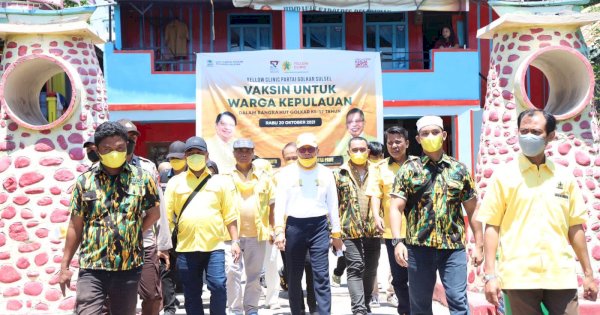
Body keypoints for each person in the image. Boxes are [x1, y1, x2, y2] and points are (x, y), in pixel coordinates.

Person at [477, 109, 598, 314]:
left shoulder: (564, 177)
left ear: (550, 136)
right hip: (518, 277)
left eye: (535, 132)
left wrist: (588, 274)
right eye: (523, 131)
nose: (528, 137)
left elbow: (575, 227)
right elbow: (492, 226)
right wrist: (490, 275)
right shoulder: (504, 176)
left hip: (560, 276)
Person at [58, 121, 161, 314]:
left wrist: (135, 232)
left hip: (128, 267)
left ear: (127, 147)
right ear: (97, 150)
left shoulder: (142, 178)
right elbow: (75, 226)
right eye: (107, 148)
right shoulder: (85, 181)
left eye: (120, 148)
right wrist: (64, 266)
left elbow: (154, 213)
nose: (114, 152)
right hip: (92, 267)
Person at [389, 116, 483, 315]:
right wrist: (397, 241)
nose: (430, 136)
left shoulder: (459, 170)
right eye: (425, 133)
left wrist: (479, 245)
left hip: (453, 248)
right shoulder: (409, 170)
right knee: (420, 305)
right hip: (418, 248)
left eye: (435, 132)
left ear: (444, 135)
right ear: (418, 139)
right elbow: (396, 207)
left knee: (458, 301)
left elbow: (473, 209)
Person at [164, 136, 241, 315]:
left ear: (206, 155)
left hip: (214, 247)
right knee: (191, 293)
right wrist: (164, 246)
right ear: (185, 156)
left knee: (219, 286)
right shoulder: (176, 182)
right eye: (191, 153)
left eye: (199, 153)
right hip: (185, 248)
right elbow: (167, 216)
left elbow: (230, 214)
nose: (195, 156)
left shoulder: (221, 182)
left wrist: (235, 241)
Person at [274, 133, 343, 315]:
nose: (306, 152)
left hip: (319, 227)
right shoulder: (286, 173)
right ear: (297, 151)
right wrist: (279, 231)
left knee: (321, 275)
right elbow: (279, 204)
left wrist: (336, 234)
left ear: (317, 151)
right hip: (294, 228)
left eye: (310, 149)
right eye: (303, 149)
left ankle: (323, 312)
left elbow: (333, 205)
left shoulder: (326, 173)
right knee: (294, 277)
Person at [118, 118, 170, 315]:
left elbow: (160, 208)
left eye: (133, 136)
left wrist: (163, 244)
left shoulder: (147, 167)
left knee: (152, 295)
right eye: (125, 135)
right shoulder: (103, 168)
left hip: (144, 242)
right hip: (114, 243)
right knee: (118, 298)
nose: (129, 140)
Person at [365, 127, 416, 315]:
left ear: (407, 143)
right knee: (399, 276)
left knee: (418, 275)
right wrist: (377, 216)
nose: (394, 146)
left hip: (418, 230)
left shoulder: (418, 165)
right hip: (393, 232)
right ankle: (406, 310)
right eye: (390, 142)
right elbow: (376, 194)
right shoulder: (380, 168)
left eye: (398, 142)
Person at [224, 139, 274, 315]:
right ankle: (235, 310)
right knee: (232, 272)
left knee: (254, 276)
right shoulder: (224, 177)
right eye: (239, 150)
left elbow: (272, 204)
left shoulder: (265, 178)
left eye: (247, 150)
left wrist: (273, 228)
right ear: (233, 153)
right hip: (231, 236)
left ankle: (251, 309)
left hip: (256, 234)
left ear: (253, 153)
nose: (243, 153)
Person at [334, 137, 381, 315]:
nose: (359, 153)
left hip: (373, 229)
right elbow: (332, 205)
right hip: (349, 229)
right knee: (355, 266)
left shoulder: (377, 172)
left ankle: (366, 302)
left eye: (362, 149)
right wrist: (334, 233)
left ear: (368, 151)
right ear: (348, 152)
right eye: (355, 150)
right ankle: (359, 309)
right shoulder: (339, 174)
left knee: (371, 268)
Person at [275, 142, 317, 313]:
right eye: (289, 158)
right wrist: (277, 231)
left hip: (311, 230)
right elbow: (273, 206)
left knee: (313, 269)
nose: (292, 160)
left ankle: (314, 307)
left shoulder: (313, 174)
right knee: (293, 273)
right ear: (283, 159)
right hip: (287, 233)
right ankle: (298, 308)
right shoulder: (279, 177)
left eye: (295, 157)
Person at [158, 140, 187, 315]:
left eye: (179, 158)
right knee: (165, 268)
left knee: (184, 268)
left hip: (187, 230)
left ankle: (186, 297)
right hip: (167, 230)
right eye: (172, 158)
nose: (175, 161)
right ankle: (169, 307)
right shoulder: (162, 177)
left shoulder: (193, 177)